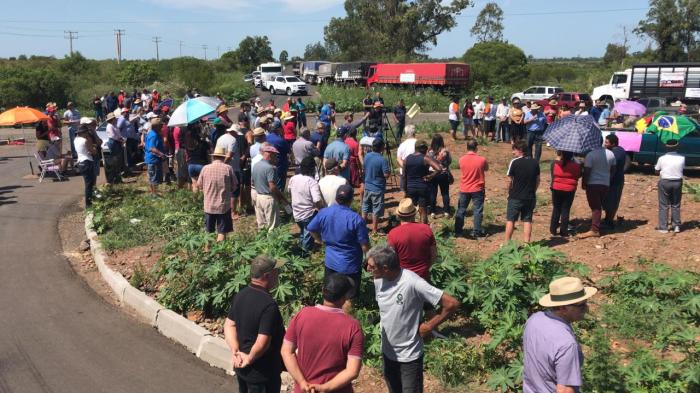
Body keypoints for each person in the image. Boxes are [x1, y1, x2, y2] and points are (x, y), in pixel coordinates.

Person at [366, 245, 459, 393]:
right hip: (388, 351)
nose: (368, 269)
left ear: (385, 268)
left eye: (371, 266)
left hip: (409, 356)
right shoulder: (379, 279)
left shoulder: (412, 282)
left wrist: (430, 326)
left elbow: (451, 303)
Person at [281, 273, 364, 393]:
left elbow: (286, 352)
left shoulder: (302, 315)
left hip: (304, 389)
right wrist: (325, 388)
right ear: (344, 298)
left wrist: (302, 382)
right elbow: (352, 371)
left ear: (322, 291)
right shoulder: (353, 327)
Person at [523, 277, 597, 393]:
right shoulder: (567, 344)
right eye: (581, 306)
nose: (587, 309)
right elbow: (565, 390)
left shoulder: (534, 320)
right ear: (563, 308)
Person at [224, 255, 286, 393]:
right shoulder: (269, 305)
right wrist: (250, 358)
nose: (278, 274)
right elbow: (263, 341)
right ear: (268, 275)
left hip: (242, 368)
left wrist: (234, 350)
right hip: (262, 373)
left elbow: (229, 325)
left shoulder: (240, 295)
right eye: (277, 271)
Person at [308, 184, 370, 311]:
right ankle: (345, 324)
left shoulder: (324, 213)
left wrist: (320, 240)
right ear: (351, 199)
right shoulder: (356, 219)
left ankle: (328, 320)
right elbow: (364, 246)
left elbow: (311, 228)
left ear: (336, 198)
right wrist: (368, 259)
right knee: (349, 298)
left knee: (331, 295)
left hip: (331, 263)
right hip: (350, 265)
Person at [387, 199, 437, 281]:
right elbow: (434, 255)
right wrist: (425, 268)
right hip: (422, 276)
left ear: (399, 216)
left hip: (402, 277)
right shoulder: (426, 229)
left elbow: (391, 259)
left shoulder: (393, 234)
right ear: (414, 214)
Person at [196, 147, 238, 241]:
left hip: (208, 205)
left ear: (213, 157)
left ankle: (207, 251)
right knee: (222, 232)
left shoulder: (205, 168)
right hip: (223, 206)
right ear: (223, 157)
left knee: (208, 232)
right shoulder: (228, 168)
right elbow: (234, 186)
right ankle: (220, 253)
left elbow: (199, 185)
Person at [505, 140, 540, 243]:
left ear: (520, 150)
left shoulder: (514, 162)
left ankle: (507, 243)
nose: (513, 152)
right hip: (530, 196)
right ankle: (526, 244)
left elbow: (509, 180)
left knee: (511, 220)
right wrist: (533, 191)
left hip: (515, 196)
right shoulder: (535, 162)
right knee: (527, 220)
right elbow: (538, 180)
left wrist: (509, 192)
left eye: (514, 150)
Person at [288, 156, 324, 252]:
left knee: (303, 232)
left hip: (296, 212)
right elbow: (317, 200)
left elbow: (289, 191)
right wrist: (322, 211)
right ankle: (304, 254)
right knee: (308, 236)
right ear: (313, 168)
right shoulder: (312, 182)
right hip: (308, 214)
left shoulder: (293, 178)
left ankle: (300, 247)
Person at [579, 145, 616, 238]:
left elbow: (587, 171)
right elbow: (613, 169)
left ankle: (594, 230)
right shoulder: (610, 153)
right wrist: (608, 179)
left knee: (595, 207)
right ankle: (595, 224)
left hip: (593, 184)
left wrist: (584, 183)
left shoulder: (590, 155)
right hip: (605, 184)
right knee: (598, 205)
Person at [455, 140, 488, 238]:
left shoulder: (461, 159)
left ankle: (458, 231)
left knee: (461, 210)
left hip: (464, 188)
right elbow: (486, 169)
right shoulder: (482, 159)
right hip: (478, 188)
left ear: (467, 147)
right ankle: (476, 232)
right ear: (476, 148)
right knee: (477, 210)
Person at [404, 140, 442, 224]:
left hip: (410, 187)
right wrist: (431, 176)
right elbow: (439, 169)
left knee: (410, 211)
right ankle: (423, 231)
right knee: (423, 210)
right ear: (424, 149)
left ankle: (411, 231)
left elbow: (404, 176)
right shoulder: (425, 158)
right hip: (422, 187)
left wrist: (405, 189)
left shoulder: (407, 159)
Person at [253, 145, 290, 231]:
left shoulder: (256, 165)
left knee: (261, 225)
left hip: (258, 196)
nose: (276, 158)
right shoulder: (270, 168)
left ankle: (262, 242)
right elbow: (272, 187)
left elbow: (253, 181)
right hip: (268, 198)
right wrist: (281, 198)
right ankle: (273, 243)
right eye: (275, 155)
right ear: (270, 155)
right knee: (272, 226)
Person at [655, 139, 685, 233]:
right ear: (677, 146)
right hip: (677, 182)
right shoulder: (682, 158)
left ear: (666, 147)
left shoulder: (662, 158)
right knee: (676, 204)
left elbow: (656, 170)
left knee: (664, 204)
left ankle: (663, 227)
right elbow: (682, 168)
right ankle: (676, 226)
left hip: (665, 181)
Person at [549, 151, 582, 237]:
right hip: (569, 189)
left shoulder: (555, 163)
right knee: (565, 210)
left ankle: (553, 230)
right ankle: (563, 231)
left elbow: (553, 175)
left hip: (556, 188)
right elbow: (578, 175)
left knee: (556, 209)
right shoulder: (577, 166)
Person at [362, 139, 391, 234]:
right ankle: (374, 230)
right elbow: (386, 174)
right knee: (376, 209)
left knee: (365, 206)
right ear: (381, 148)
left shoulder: (367, 156)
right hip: (377, 188)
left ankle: (361, 227)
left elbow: (364, 168)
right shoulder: (382, 160)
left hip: (367, 186)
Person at [216, 124, 243, 219]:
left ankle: (224, 209)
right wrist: (224, 164)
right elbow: (229, 154)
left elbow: (217, 152)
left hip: (220, 166)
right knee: (234, 190)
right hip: (232, 168)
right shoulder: (233, 140)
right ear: (234, 132)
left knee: (223, 189)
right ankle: (233, 212)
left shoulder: (220, 138)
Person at [602, 134, 626, 229]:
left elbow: (610, 166)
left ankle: (609, 221)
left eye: (607, 142)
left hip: (615, 181)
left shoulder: (615, 153)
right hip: (615, 179)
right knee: (610, 200)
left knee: (612, 201)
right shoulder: (619, 150)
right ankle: (608, 219)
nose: (605, 144)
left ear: (613, 144)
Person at [427, 134, 452, 218]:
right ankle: (446, 211)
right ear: (441, 141)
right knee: (445, 193)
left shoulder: (429, 151)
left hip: (432, 174)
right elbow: (449, 162)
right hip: (443, 173)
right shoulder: (445, 151)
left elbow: (426, 162)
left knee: (432, 193)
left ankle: (433, 211)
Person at [74, 125, 97, 207]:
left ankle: (90, 201)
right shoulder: (85, 140)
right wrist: (94, 148)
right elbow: (93, 151)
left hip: (80, 161)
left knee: (88, 183)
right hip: (87, 161)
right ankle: (88, 204)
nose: (88, 133)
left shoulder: (76, 140)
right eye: (87, 132)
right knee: (89, 184)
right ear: (84, 133)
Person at [144, 118, 168, 196]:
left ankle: (154, 193)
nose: (162, 127)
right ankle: (154, 195)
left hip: (152, 159)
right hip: (153, 159)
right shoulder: (153, 135)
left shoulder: (151, 133)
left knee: (152, 177)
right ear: (156, 126)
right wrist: (162, 154)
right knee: (154, 177)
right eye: (161, 125)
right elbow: (152, 148)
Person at [186, 124, 210, 193]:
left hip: (191, 165)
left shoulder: (188, 144)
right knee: (202, 185)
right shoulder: (203, 143)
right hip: (201, 165)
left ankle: (195, 201)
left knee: (194, 184)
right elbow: (208, 155)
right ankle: (201, 201)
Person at [104, 111, 124, 184]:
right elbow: (113, 136)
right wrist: (120, 139)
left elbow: (118, 134)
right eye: (114, 118)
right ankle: (113, 179)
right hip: (113, 143)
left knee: (118, 161)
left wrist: (121, 138)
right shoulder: (109, 126)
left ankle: (117, 178)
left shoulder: (114, 125)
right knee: (114, 161)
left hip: (116, 142)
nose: (115, 119)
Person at [396, 125, 417, 191]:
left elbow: (398, 159)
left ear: (405, 133)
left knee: (406, 195)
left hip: (405, 173)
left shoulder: (402, 145)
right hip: (417, 172)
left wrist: (405, 167)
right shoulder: (418, 143)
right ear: (414, 133)